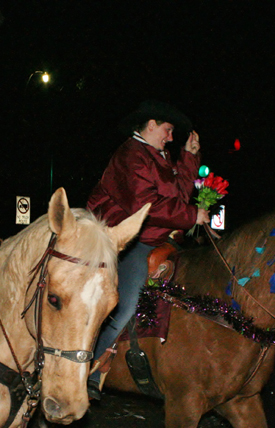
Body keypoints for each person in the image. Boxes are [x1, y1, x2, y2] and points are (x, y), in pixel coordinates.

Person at [85, 100, 209, 399]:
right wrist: (193, 216)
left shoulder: (159, 156)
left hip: (154, 238)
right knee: (125, 302)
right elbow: (146, 206)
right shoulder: (131, 154)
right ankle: (88, 367)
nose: (170, 137)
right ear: (150, 125)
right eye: (167, 130)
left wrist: (189, 158)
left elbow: (177, 194)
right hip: (124, 238)